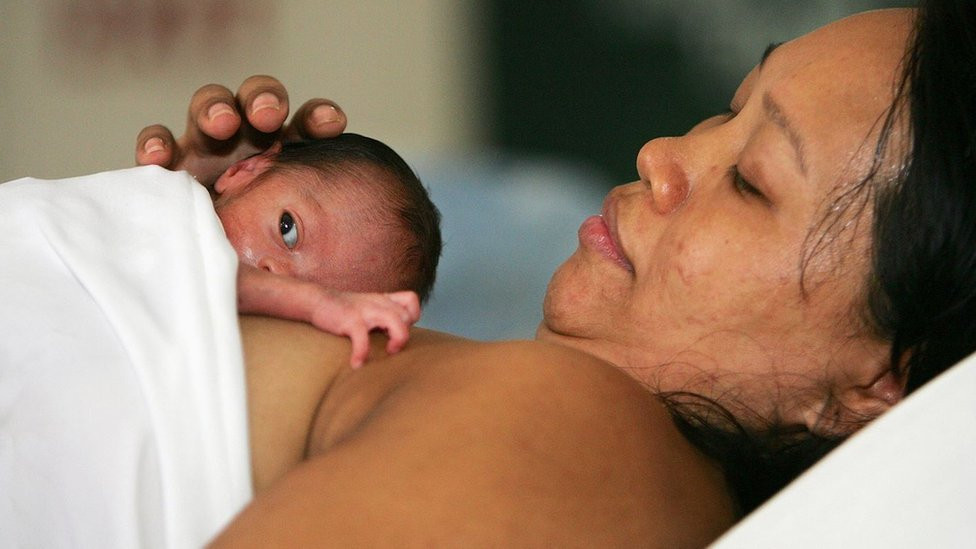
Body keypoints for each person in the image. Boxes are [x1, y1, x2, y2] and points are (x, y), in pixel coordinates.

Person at [122, 0, 976, 543]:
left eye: (752, 182)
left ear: (877, 387)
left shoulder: (590, 433)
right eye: (727, 106)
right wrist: (200, 248)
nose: (662, 155)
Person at [211, 133, 442, 367]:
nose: (277, 279)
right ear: (246, 169)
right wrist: (316, 303)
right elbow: (208, 273)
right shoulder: (178, 206)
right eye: (287, 229)